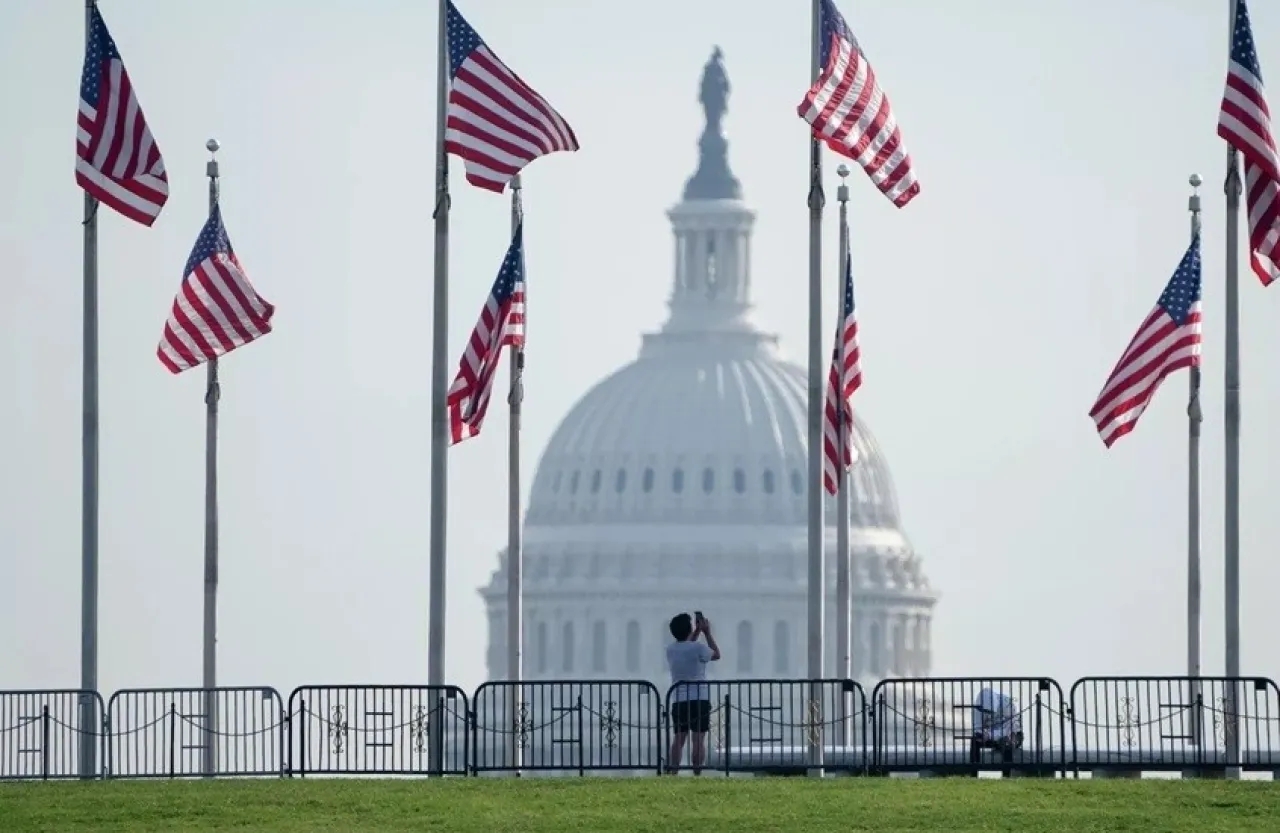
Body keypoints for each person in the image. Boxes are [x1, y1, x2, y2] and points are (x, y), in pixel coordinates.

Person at [665, 612, 720, 775]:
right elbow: (716, 654)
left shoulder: (671, 649)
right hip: (699, 698)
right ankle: (697, 772)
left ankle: (673, 771)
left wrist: (696, 631)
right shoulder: (698, 648)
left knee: (679, 738)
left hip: (679, 699)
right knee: (698, 739)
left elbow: (686, 645)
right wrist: (707, 633)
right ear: (689, 629)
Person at [970, 686, 1024, 776]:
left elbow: (1010, 730)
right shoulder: (978, 708)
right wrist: (981, 735)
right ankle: (973, 774)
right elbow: (977, 727)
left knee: (1007, 742)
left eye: (989, 712)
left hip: (1011, 734)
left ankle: (1006, 776)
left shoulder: (1007, 704)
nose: (987, 714)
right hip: (990, 735)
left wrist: (989, 735)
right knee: (974, 740)